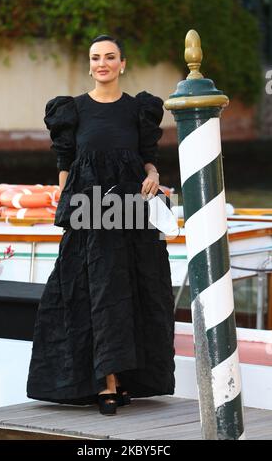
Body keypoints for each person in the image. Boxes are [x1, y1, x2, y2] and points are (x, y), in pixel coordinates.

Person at [26, 34, 175, 416]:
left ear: (122, 64)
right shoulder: (71, 110)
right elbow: (64, 167)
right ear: (89, 64)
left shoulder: (138, 110)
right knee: (96, 291)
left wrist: (154, 173)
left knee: (133, 289)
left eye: (110, 57)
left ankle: (121, 377)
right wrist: (67, 214)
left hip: (130, 209)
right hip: (89, 211)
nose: (102, 64)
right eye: (95, 58)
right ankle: (105, 380)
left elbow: (147, 158)